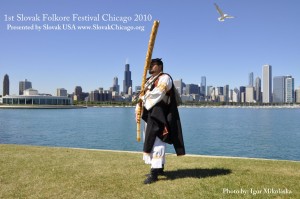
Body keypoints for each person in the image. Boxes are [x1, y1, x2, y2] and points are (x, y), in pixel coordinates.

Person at [135, 58, 185, 184]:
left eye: (153, 65)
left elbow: (159, 92)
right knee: (151, 138)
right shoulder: (148, 81)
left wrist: (143, 97)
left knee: (157, 141)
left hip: (160, 115)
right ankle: (159, 168)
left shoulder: (165, 78)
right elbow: (142, 97)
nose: (150, 67)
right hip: (150, 114)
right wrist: (139, 106)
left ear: (160, 66)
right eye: (149, 65)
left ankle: (154, 173)